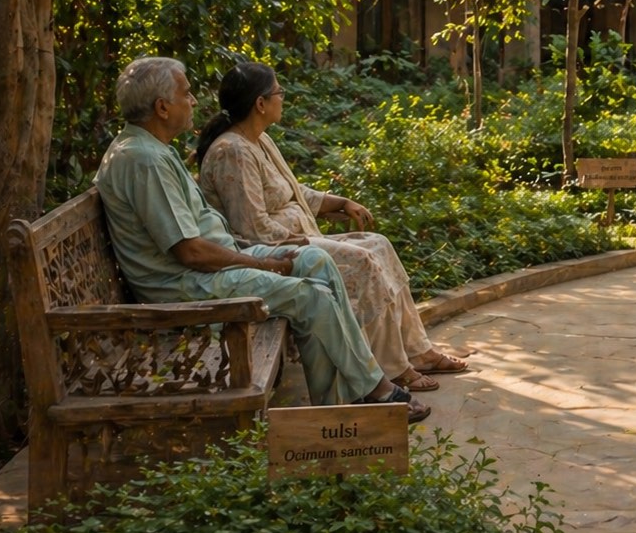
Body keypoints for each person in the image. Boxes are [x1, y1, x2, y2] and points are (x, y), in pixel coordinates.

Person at [95, 57, 429, 422]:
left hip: (208, 266)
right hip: (185, 286)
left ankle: (339, 405)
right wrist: (263, 263)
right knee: (311, 296)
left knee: (316, 262)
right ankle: (371, 391)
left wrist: (270, 254)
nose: (193, 101)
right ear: (162, 107)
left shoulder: (150, 149)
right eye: (186, 93)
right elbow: (190, 252)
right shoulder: (144, 160)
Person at [196, 62, 469, 393]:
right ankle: (392, 367)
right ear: (260, 103)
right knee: (363, 262)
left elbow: (294, 193)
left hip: (299, 239)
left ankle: (418, 351)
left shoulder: (259, 140)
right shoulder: (232, 151)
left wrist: (339, 202)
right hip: (277, 253)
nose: (284, 98)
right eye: (279, 92)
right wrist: (308, 239)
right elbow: (252, 230)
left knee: (379, 244)